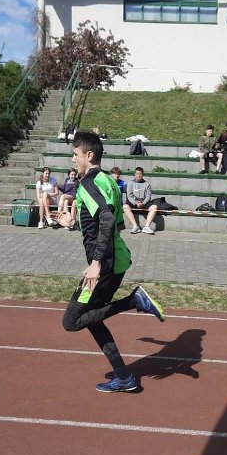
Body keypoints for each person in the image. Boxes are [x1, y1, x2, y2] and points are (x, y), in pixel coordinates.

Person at [53, 131, 166, 393]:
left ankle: (133, 300)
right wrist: (73, 222)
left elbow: (105, 219)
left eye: (75, 154)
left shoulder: (89, 184)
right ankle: (123, 376)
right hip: (115, 261)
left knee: (71, 321)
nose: (72, 160)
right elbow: (113, 222)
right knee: (92, 318)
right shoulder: (110, 182)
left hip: (104, 266)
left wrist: (95, 263)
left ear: (88, 155)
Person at [122, 166, 159, 234]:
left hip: (144, 202)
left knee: (154, 207)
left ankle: (146, 227)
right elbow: (129, 195)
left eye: (140, 174)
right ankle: (135, 226)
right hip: (134, 201)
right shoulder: (130, 183)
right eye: (137, 174)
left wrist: (143, 203)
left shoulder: (147, 184)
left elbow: (148, 196)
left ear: (142, 174)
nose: (139, 175)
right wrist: (136, 203)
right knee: (125, 206)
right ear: (135, 174)